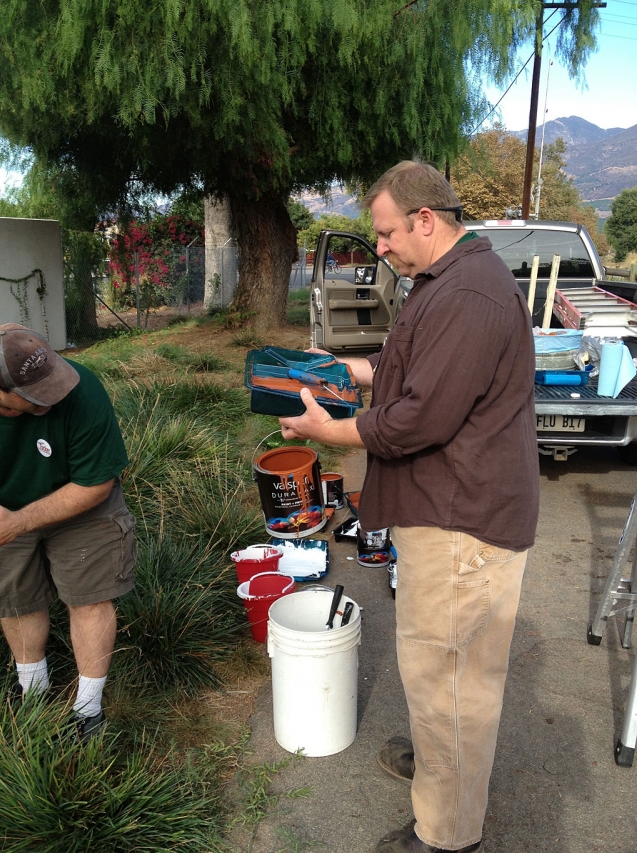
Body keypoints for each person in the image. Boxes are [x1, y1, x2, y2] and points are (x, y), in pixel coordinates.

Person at [278, 160, 540, 853]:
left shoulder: (468, 296)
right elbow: (402, 361)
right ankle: (439, 769)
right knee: (437, 670)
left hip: (465, 522)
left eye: (387, 233)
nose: (382, 247)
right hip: (451, 510)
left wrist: (323, 430)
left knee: (451, 680)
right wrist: (336, 369)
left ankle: (448, 834)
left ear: (426, 220)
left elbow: (416, 419)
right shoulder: (445, 281)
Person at [0, 323, 136, 741]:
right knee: (15, 599)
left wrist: (20, 522)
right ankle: (34, 695)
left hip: (79, 498)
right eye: (35, 395)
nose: (53, 397)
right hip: (3, 506)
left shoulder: (81, 388)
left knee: (90, 597)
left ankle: (88, 711)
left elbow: (95, 483)